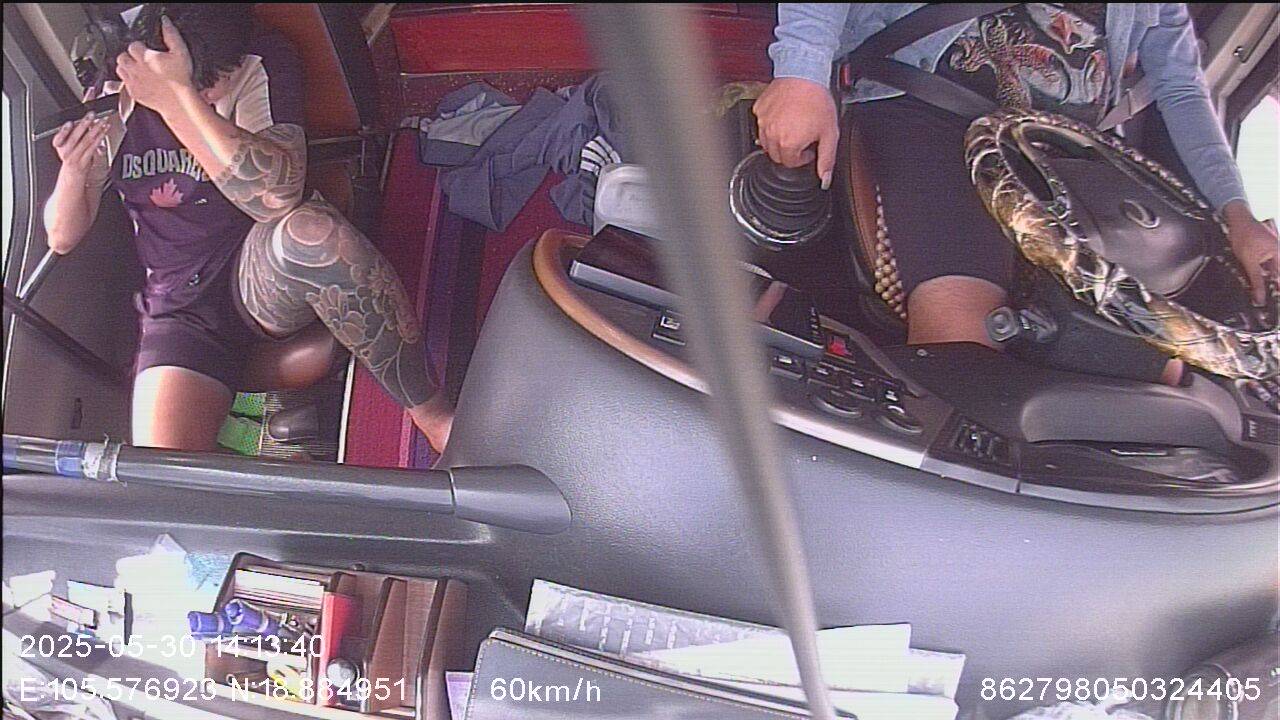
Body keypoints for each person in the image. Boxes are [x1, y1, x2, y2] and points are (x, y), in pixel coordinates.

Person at [754, 3, 1278, 377]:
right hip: (935, 111)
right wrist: (801, 74)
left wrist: (1237, 214)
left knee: (1155, 366)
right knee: (963, 344)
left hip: (1061, 153)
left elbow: (1182, 88)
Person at [43, 4, 453, 452]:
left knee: (312, 235)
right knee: (163, 472)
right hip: (179, 304)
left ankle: (432, 415)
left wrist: (177, 100)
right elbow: (61, 237)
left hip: (255, 270)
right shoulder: (117, 87)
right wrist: (73, 173)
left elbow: (276, 197)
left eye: (213, 84)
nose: (211, 94)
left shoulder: (261, 55)